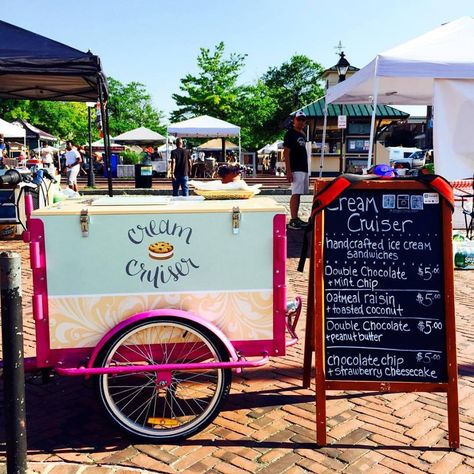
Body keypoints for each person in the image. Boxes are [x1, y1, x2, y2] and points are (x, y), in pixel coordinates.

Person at [283, 110, 309, 230]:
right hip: (296, 168)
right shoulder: (290, 134)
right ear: (294, 120)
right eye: (299, 119)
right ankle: (293, 219)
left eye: (303, 120)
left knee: (300, 193)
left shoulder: (302, 134)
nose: (301, 122)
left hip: (303, 168)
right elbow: (286, 152)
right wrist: (288, 170)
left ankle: (296, 218)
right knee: (295, 193)